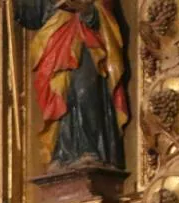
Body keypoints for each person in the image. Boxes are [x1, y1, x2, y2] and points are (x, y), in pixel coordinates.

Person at [15, 0, 129, 170]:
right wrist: (16, 6)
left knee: (85, 92)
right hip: (54, 40)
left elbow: (104, 6)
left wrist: (85, 8)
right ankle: (62, 153)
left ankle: (91, 150)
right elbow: (33, 13)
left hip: (86, 37)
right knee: (61, 98)